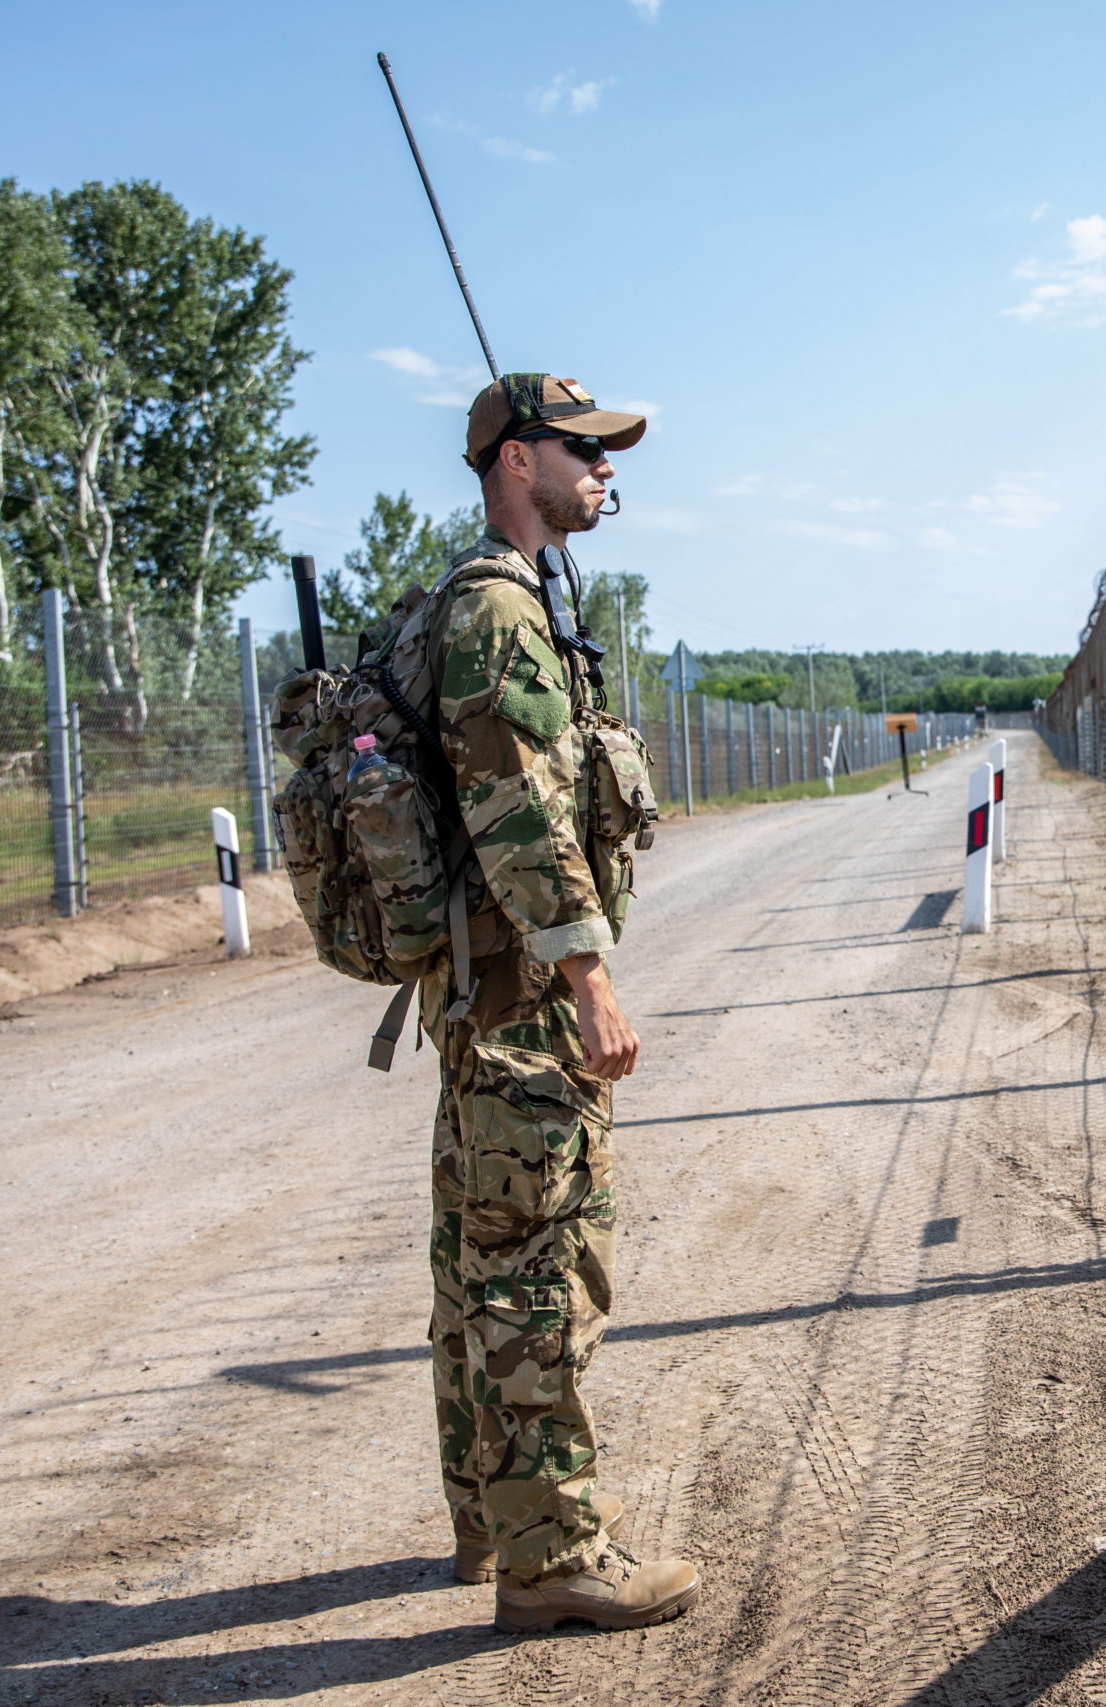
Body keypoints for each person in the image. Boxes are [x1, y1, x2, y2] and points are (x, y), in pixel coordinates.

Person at [425, 372, 697, 1633]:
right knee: (535, 1267)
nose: (600, 470)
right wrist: (592, 983)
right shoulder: (496, 615)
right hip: (528, 997)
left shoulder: (505, 601)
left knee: (478, 1256)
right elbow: (521, 816)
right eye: (578, 450)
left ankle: (495, 1523)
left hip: (488, 990)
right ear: (511, 460)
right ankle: (553, 1562)